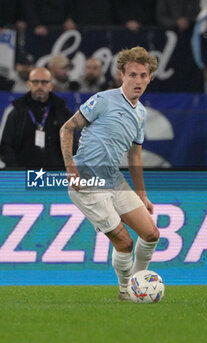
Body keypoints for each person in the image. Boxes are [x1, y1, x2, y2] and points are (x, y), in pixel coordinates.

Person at [60, 46, 160, 300]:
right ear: (122, 76)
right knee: (125, 243)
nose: (138, 80)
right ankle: (126, 290)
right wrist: (71, 168)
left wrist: (142, 195)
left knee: (151, 234)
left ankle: (138, 287)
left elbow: (135, 155)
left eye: (143, 76)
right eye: (133, 75)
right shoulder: (104, 99)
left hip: (113, 178)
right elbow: (67, 129)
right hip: (87, 180)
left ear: (150, 78)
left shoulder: (141, 113)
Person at [0, 67, 72, 169]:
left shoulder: (62, 112)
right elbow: (6, 145)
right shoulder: (16, 112)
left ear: (51, 85)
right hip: (23, 176)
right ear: (28, 84)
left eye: (44, 82)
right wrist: (16, 171)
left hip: (56, 176)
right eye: (35, 82)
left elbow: (73, 144)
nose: (39, 86)